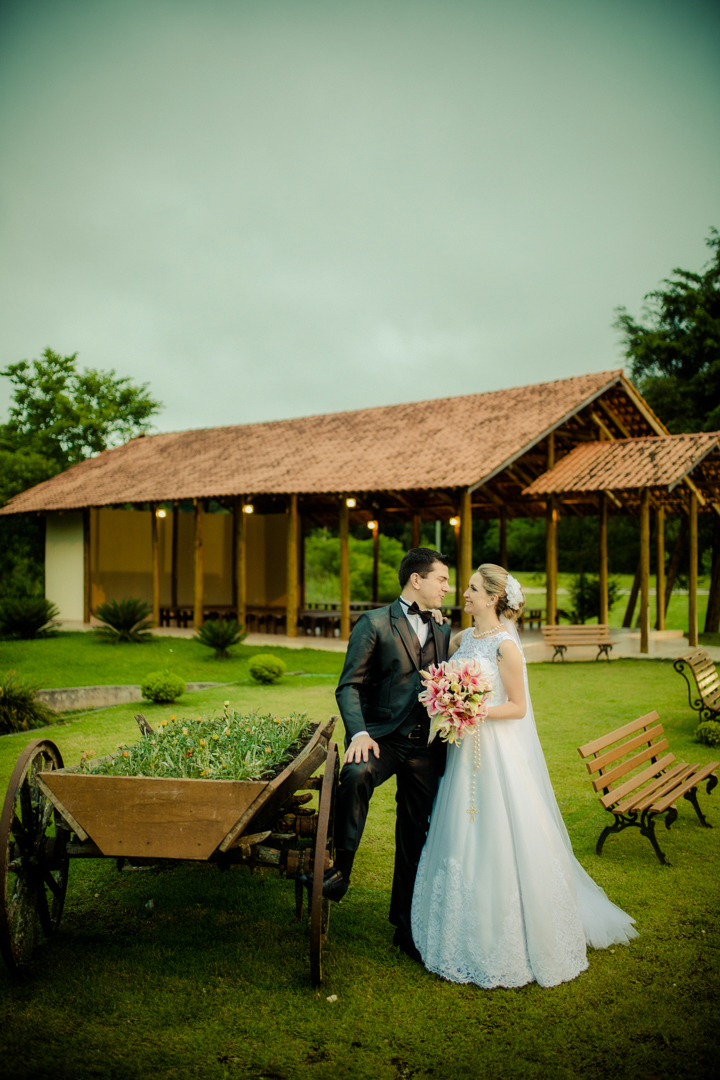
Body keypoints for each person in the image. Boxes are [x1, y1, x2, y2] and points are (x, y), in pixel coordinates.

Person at [411, 564, 638, 988]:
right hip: (463, 752)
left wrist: (471, 708)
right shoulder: (464, 638)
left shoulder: (506, 648)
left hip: (496, 752)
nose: (465, 593)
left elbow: (518, 707)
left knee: (501, 829)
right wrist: (449, 700)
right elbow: (445, 667)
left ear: (492, 598)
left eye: (473, 588)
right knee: (461, 828)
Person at [320, 547, 452, 960]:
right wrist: (359, 733)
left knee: (415, 832)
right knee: (356, 773)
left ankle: (406, 925)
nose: (446, 588)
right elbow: (349, 685)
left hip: (425, 746)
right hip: (382, 739)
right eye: (442, 579)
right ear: (417, 579)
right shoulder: (374, 623)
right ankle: (341, 871)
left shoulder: (443, 627)